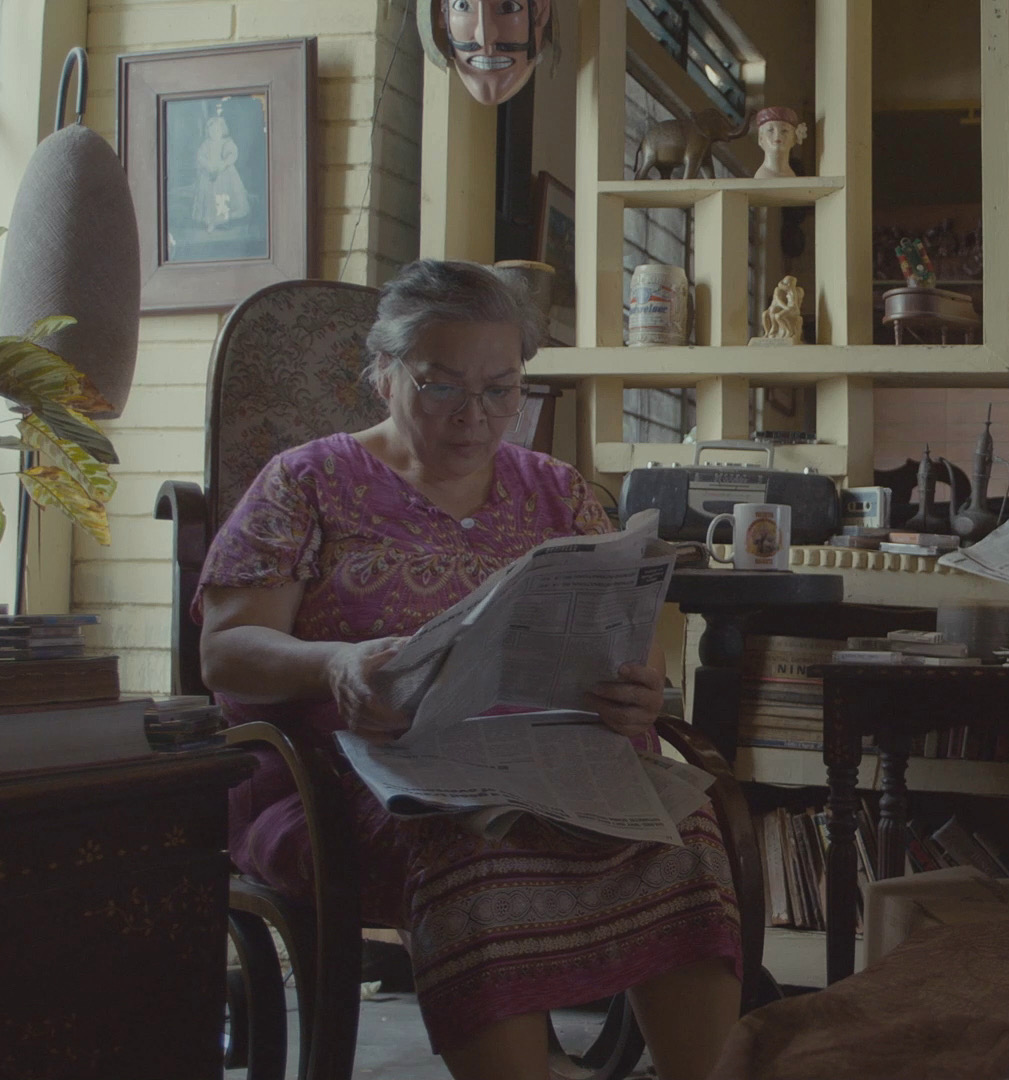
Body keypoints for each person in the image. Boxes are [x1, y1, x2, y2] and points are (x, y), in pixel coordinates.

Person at [199, 260, 740, 1080]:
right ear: (383, 374)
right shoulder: (308, 481)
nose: (477, 417)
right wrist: (337, 662)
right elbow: (227, 647)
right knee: (477, 842)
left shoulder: (554, 488)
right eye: (442, 387)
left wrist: (639, 687)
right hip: (359, 771)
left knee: (688, 830)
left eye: (501, 390)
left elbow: (626, 635)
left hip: (547, 757)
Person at [191, 113, 250, 231]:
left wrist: (224, 164)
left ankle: (225, 220)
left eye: (217, 130)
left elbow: (232, 154)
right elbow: (200, 156)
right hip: (209, 174)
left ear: (222, 130)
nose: (214, 132)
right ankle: (211, 221)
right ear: (208, 132)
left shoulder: (226, 142)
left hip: (225, 174)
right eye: (211, 130)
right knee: (210, 198)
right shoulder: (206, 144)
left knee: (224, 197)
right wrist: (208, 165)